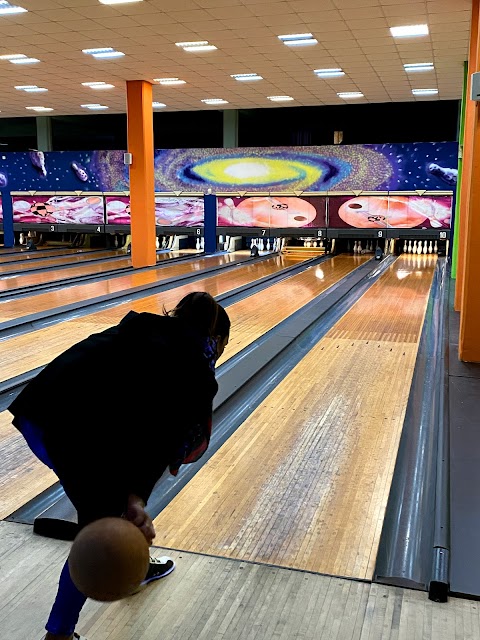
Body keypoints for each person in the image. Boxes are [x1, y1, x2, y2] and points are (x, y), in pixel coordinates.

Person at [8, 291, 230, 640]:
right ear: (215, 340)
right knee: (99, 528)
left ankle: (130, 560)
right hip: (77, 433)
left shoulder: (138, 329)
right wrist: (134, 497)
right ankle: (59, 633)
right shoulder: (195, 371)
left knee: (110, 507)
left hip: (40, 415)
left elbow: (127, 421)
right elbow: (162, 441)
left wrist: (128, 495)